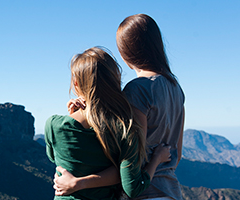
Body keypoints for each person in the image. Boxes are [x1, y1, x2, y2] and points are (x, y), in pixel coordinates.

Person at [54, 14, 185, 200]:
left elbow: (128, 163)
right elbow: (176, 155)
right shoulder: (175, 88)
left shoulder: (137, 90)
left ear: (125, 52)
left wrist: (78, 182)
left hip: (144, 194)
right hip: (171, 192)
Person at [45, 46, 172, 200]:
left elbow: (57, 158)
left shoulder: (53, 125)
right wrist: (156, 159)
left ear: (76, 83)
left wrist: (71, 117)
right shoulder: (126, 128)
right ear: (116, 79)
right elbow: (133, 187)